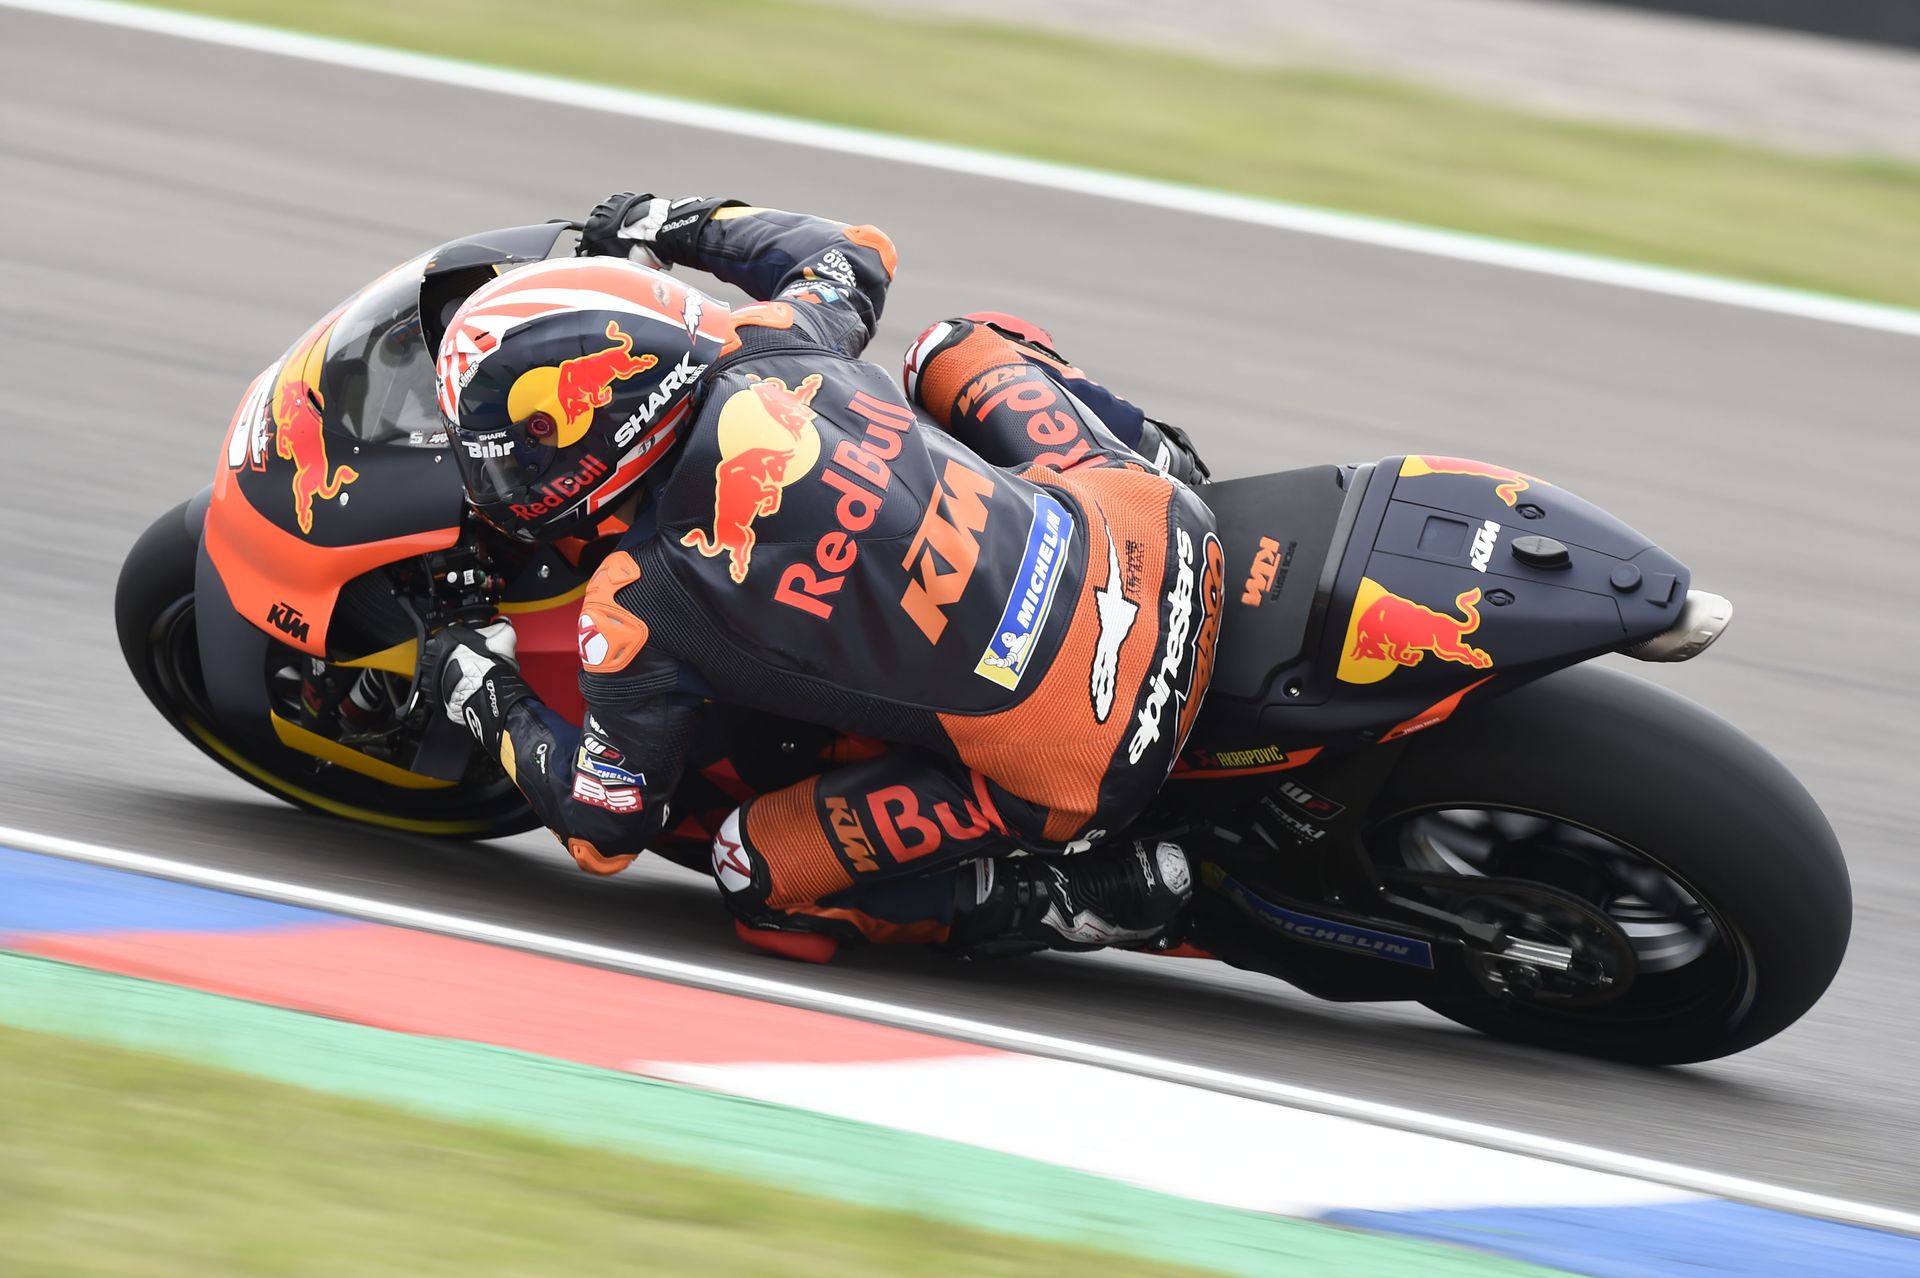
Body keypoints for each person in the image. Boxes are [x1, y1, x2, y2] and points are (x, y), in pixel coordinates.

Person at [428, 192, 1223, 962]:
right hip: (1165, 535)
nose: (501, 475)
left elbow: (605, 830)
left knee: (750, 868)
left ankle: (1064, 893)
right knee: (952, 345)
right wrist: (674, 223)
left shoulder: (637, 604)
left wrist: (483, 690)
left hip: (1087, 755)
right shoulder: (774, 340)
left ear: (597, 427)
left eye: (519, 446)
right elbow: (857, 250)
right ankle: (1163, 455)